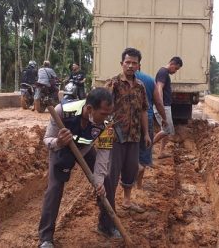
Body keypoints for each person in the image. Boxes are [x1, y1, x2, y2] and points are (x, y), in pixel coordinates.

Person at [38, 87, 114, 248]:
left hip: (85, 150)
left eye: (109, 113)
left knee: (106, 182)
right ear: (89, 109)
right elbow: (47, 140)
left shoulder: (107, 125)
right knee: (54, 188)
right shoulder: (62, 111)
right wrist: (58, 142)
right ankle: (46, 238)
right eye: (103, 113)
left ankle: (106, 226)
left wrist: (98, 180)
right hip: (61, 148)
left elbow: (103, 155)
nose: (107, 118)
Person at [104, 47, 151, 216]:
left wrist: (146, 134)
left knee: (131, 168)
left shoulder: (140, 86)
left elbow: (144, 110)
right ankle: (109, 208)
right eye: (127, 62)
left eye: (134, 63)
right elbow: (103, 109)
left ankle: (127, 201)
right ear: (121, 64)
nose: (131, 66)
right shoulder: (113, 84)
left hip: (134, 136)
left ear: (139, 66)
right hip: (116, 136)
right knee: (112, 172)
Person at [135, 69, 167, 189]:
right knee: (143, 151)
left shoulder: (120, 80)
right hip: (146, 118)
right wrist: (164, 117)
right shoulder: (149, 80)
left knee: (129, 150)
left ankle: (127, 184)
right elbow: (158, 102)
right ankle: (138, 185)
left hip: (127, 120)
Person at [153, 56, 183, 159]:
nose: (175, 71)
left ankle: (161, 152)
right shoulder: (163, 72)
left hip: (165, 106)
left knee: (166, 130)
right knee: (167, 130)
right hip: (163, 107)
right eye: (176, 69)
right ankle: (146, 147)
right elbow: (159, 88)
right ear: (172, 64)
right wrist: (160, 105)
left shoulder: (164, 73)